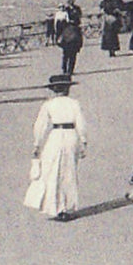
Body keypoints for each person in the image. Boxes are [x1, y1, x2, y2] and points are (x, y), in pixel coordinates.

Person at [25, 74, 87, 221]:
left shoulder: (49, 105)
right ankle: (67, 207)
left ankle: (55, 207)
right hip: (71, 135)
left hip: (56, 136)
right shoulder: (74, 103)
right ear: (67, 89)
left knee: (52, 171)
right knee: (69, 171)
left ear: (53, 89)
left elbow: (40, 126)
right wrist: (83, 141)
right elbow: (81, 123)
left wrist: (37, 144)